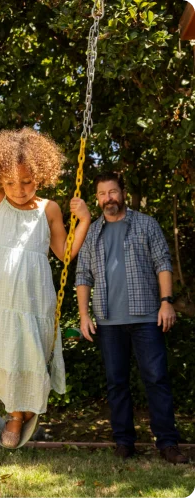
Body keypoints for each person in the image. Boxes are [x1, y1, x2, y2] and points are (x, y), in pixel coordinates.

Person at [0, 128, 91, 448]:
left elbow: (65, 253)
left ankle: (22, 412)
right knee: (3, 352)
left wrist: (84, 221)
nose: (19, 190)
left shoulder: (50, 209)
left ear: (41, 176)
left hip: (34, 295)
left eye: (27, 181)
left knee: (30, 352)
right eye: (10, 182)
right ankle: (15, 412)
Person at [75, 171, 189, 464]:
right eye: (101, 194)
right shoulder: (91, 232)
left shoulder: (145, 224)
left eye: (112, 192)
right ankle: (124, 443)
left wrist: (166, 302)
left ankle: (167, 444)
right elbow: (83, 275)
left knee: (156, 379)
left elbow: (163, 263)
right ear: (97, 198)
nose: (107, 198)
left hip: (147, 317)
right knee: (116, 383)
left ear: (122, 192)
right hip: (108, 320)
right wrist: (84, 314)